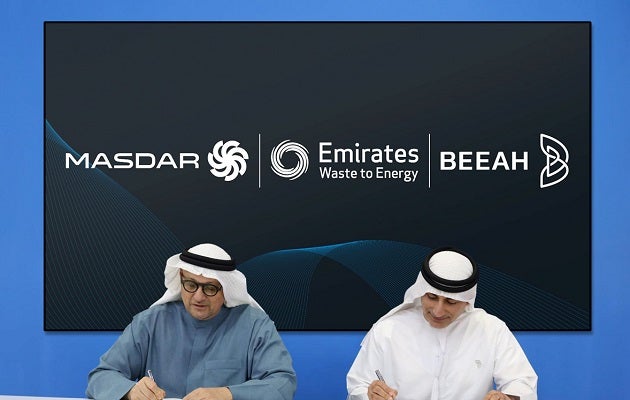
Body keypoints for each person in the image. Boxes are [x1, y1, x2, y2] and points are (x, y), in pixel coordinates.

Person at [86, 243, 297, 400]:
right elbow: (102, 376)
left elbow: (282, 384)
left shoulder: (255, 326)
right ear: (180, 279)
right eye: (190, 285)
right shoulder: (150, 322)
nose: (198, 297)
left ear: (226, 289)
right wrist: (131, 391)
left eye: (210, 288)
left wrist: (227, 394)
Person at [346, 247, 538, 400]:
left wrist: (507, 398)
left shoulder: (491, 330)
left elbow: (522, 383)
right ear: (421, 292)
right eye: (431, 297)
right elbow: (358, 385)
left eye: (450, 302)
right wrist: (370, 395)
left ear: (466, 301)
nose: (438, 311)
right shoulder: (388, 330)